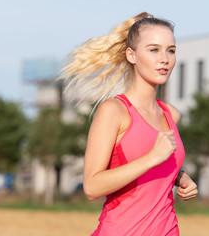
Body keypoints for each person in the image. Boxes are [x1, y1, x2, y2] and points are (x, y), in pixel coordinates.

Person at [60, 12, 198, 236]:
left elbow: (155, 168)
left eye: (170, 50)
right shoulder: (114, 111)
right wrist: (153, 157)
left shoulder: (171, 115)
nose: (165, 58)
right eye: (154, 50)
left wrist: (179, 176)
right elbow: (92, 187)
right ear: (131, 55)